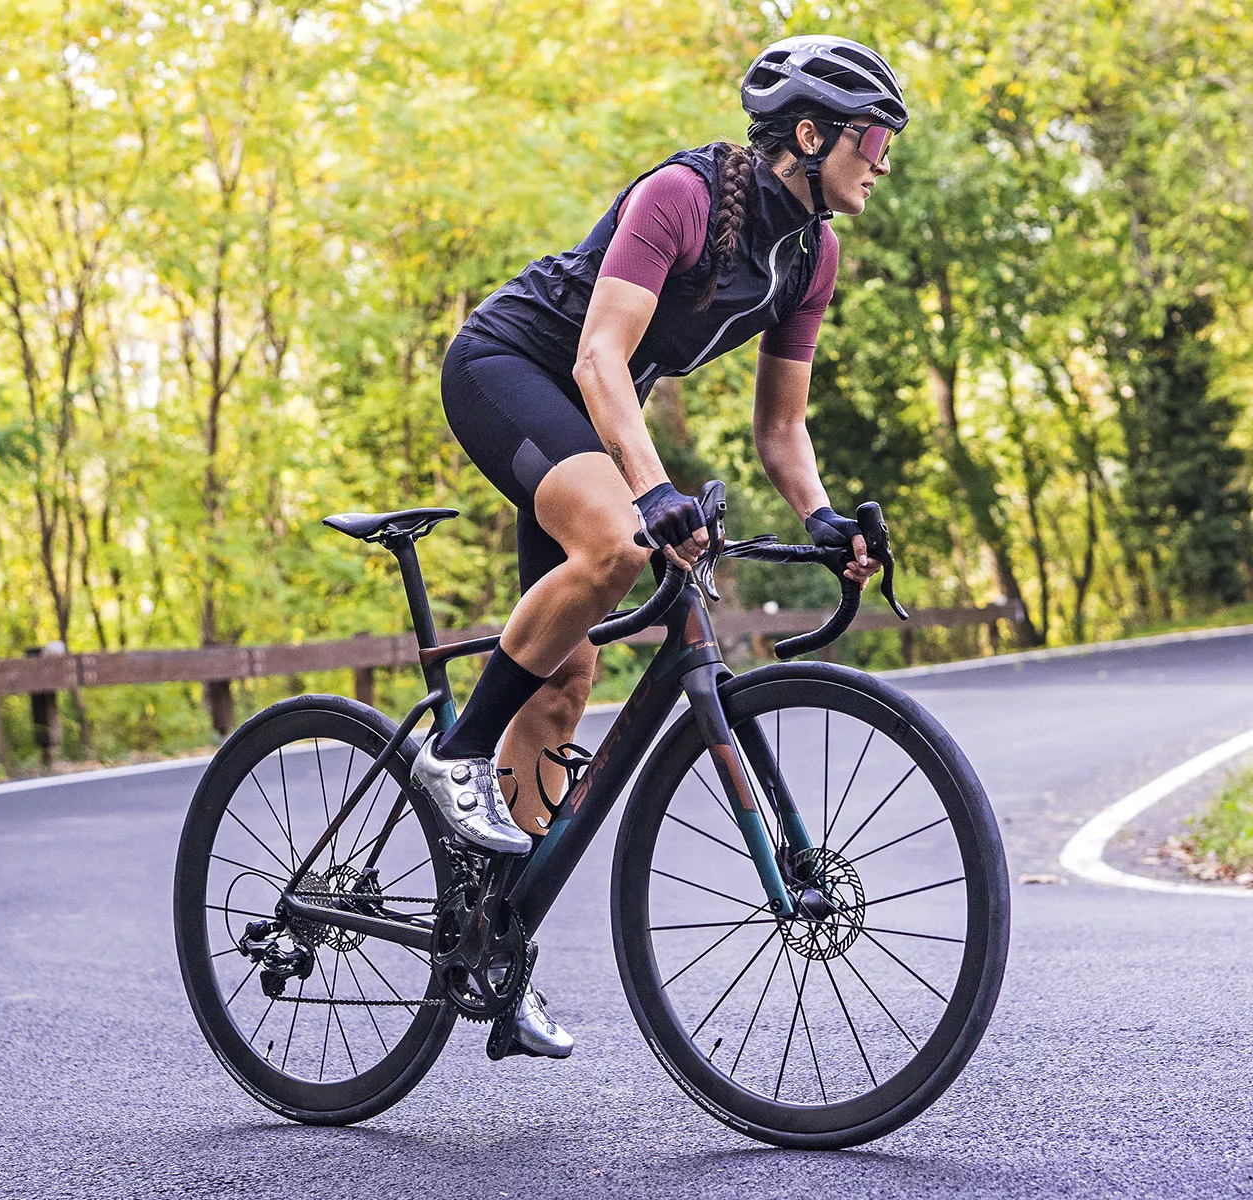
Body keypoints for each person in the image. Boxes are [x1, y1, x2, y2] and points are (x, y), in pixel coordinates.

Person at [413, 35, 903, 1058]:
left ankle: (488, 949)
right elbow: (599, 357)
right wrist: (651, 489)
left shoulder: (813, 253)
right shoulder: (681, 195)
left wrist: (819, 517)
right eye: (871, 138)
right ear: (809, 135)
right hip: (510, 366)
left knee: (565, 680)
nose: (883, 158)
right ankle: (452, 759)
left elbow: (781, 427)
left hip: (589, 413)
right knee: (620, 544)